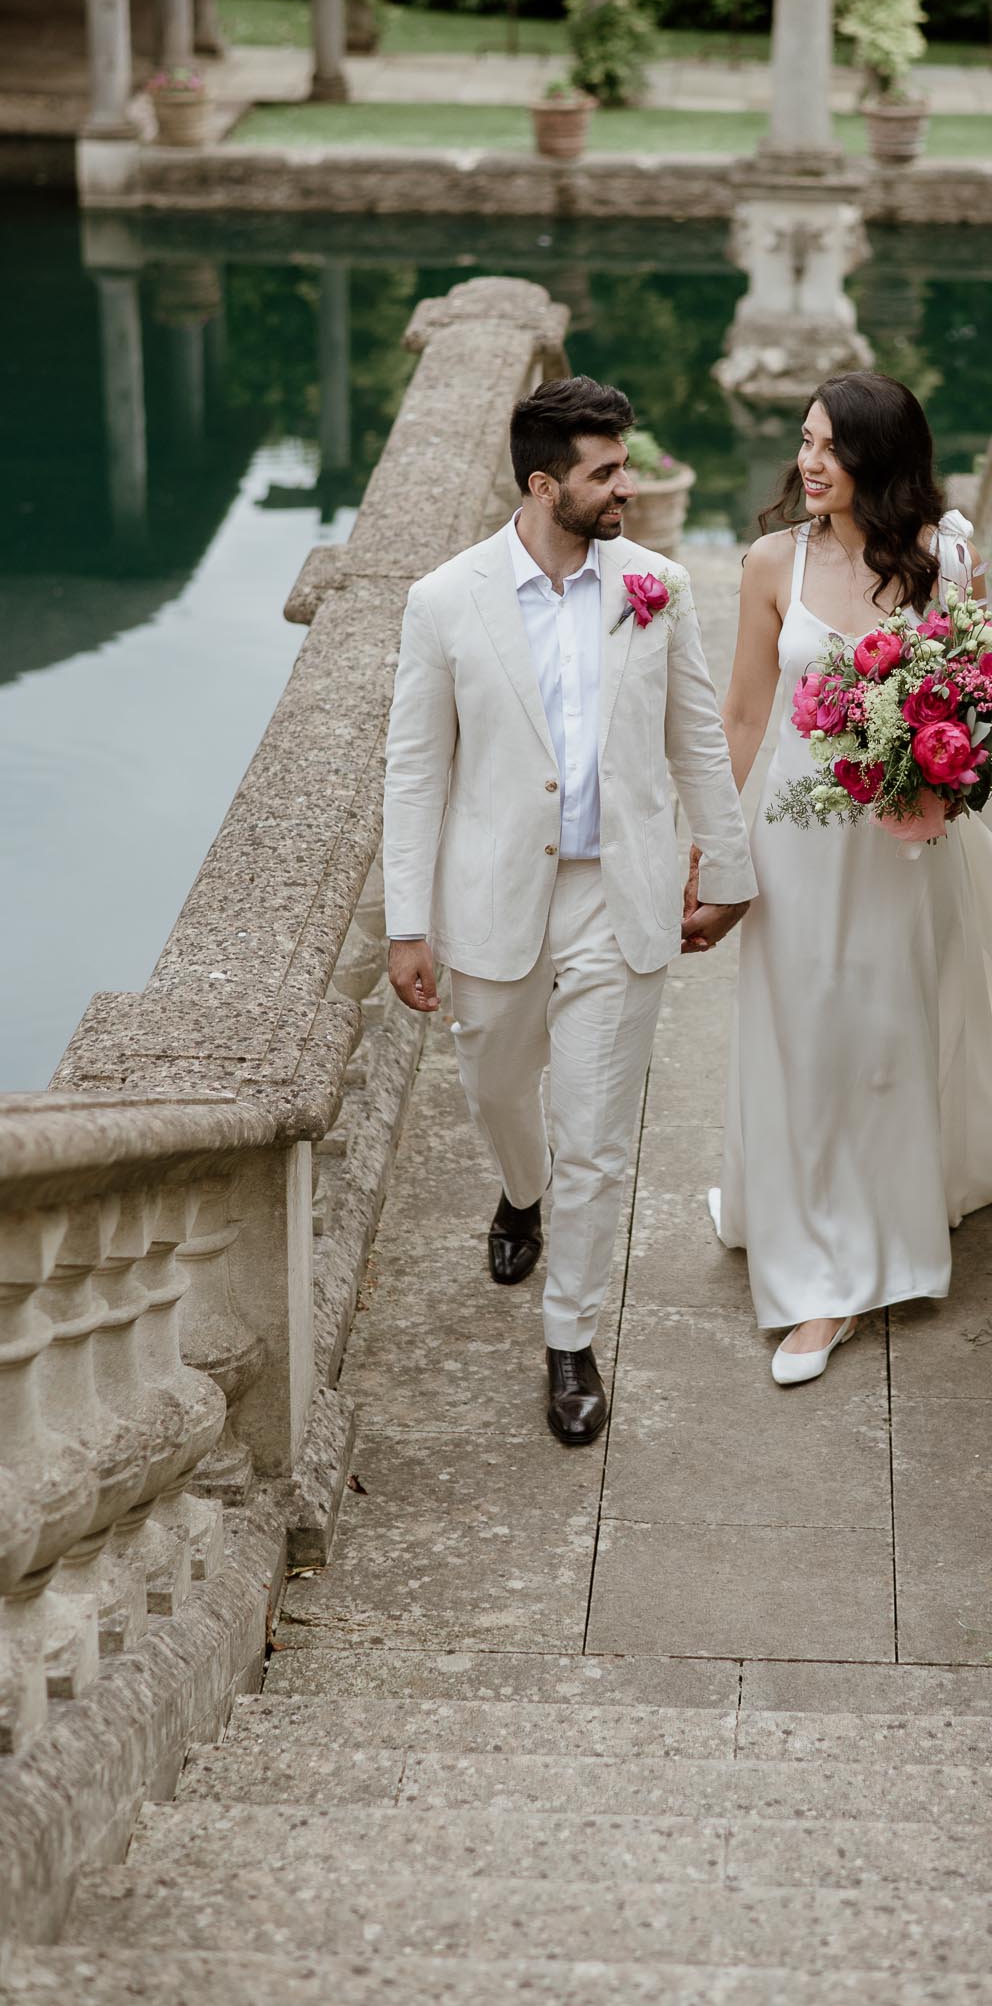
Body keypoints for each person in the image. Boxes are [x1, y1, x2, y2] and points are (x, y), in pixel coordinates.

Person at [701, 371, 992, 1385]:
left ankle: (862, 1254)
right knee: (803, 1029)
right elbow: (741, 717)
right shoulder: (773, 561)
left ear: (881, 460)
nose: (809, 463)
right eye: (804, 441)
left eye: (831, 447)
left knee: (890, 1029)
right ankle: (805, 1241)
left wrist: (950, 764)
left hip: (906, 840)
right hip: (800, 839)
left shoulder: (946, 555)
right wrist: (710, 845)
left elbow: (983, 691)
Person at [383, 375, 756, 1446]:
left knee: (598, 1138)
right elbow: (415, 773)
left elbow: (695, 739)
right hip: (494, 896)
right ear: (544, 485)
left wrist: (727, 872)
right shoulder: (443, 601)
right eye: (605, 471)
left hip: (618, 897)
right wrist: (410, 921)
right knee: (496, 1080)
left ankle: (570, 1339)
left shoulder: (660, 588)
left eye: (625, 464)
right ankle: (517, 1188)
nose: (626, 486)